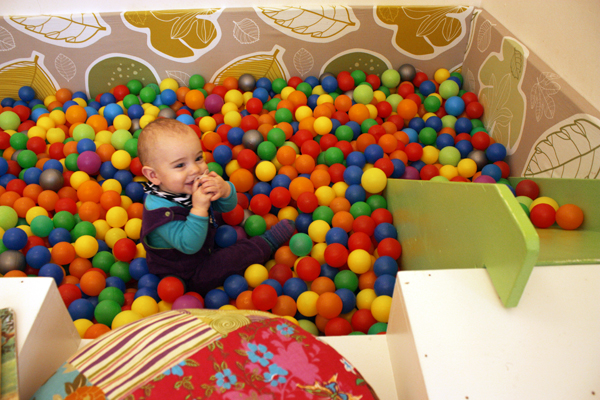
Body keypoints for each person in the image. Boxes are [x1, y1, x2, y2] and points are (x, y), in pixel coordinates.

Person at [137, 118, 295, 295]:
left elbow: (227, 207)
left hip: (205, 236)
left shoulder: (184, 184)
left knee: (222, 214)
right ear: (153, 175)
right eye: (180, 165)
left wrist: (225, 190)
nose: (195, 169)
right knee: (231, 259)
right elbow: (189, 245)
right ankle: (266, 242)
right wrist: (199, 209)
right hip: (188, 271)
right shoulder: (160, 212)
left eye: (198, 158)